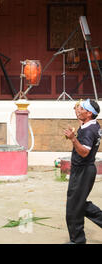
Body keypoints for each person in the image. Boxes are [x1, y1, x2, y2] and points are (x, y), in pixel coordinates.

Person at [63, 99, 102, 244]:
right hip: (86, 170)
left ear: (89, 113)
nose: (78, 110)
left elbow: (84, 152)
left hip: (83, 171)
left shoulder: (88, 130)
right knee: (78, 204)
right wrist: (78, 112)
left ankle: (77, 240)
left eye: (82, 109)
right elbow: (82, 121)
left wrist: (73, 139)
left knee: (73, 208)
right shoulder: (93, 125)